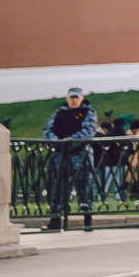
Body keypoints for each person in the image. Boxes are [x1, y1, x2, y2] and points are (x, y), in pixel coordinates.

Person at [40, 89, 97, 233]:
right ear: (67, 98)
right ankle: (55, 220)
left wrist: (69, 142)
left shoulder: (88, 113)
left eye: (76, 98)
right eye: (71, 98)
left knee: (84, 188)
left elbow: (88, 132)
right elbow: (47, 130)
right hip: (60, 155)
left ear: (81, 98)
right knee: (57, 189)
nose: (74, 100)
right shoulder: (58, 113)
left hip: (80, 156)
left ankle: (87, 220)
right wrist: (58, 142)